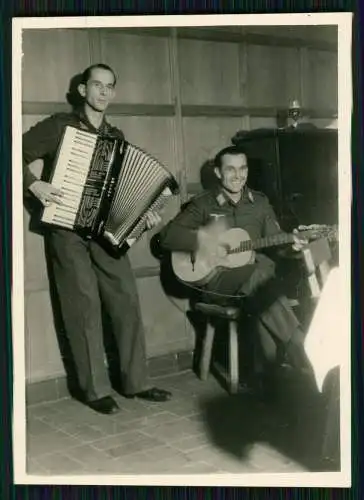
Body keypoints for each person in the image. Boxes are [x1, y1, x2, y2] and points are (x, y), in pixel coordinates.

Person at [22, 63, 172, 415]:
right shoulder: (59, 126)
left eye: (109, 87)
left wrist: (142, 219)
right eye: (97, 85)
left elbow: (122, 195)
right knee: (83, 305)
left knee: (126, 299)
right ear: (82, 90)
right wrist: (33, 183)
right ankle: (94, 390)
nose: (103, 92)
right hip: (66, 230)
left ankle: (136, 382)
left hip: (103, 232)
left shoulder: (116, 137)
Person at [159, 145, 312, 386]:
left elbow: (277, 242)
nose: (238, 175)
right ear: (218, 173)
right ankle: (301, 349)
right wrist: (206, 240)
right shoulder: (204, 204)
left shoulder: (259, 203)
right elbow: (167, 237)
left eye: (243, 169)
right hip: (217, 283)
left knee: (260, 280)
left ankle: (268, 375)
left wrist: (292, 246)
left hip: (256, 282)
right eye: (230, 170)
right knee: (261, 280)